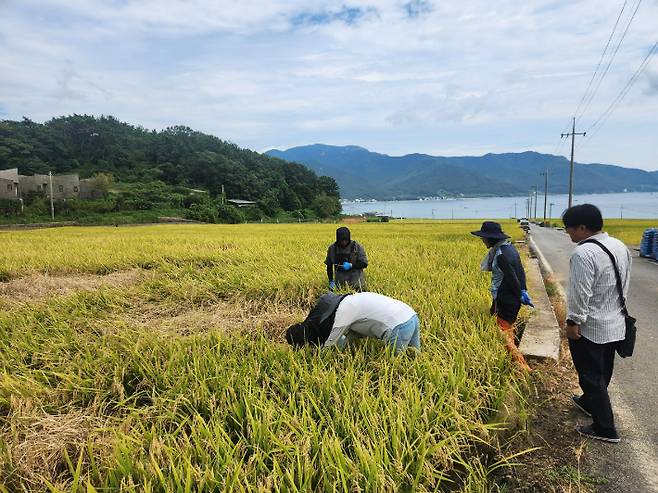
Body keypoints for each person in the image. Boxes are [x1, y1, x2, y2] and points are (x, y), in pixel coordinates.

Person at [563, 204, 631, 443]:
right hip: (616, 323)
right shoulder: (619, 246)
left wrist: (573, 322)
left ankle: (605, 428)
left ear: (582, 227)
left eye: (569, 229)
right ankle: (588, 401)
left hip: (590, 327)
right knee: (603, 370)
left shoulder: (583, 253)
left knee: (590, 375)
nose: (568, 234)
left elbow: (580, 294)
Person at [471, 221, 533, 371]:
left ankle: (523, 367)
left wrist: (520, 293)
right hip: (510, 298)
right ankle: (514, 360)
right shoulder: (509, 248)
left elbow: (512, 277)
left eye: (484, 238)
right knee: (507, 329)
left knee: (502, 334)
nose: (483, 240)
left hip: (506, 299)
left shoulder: (501, 255)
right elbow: (520, 271)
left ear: (491, 238)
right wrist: (523, 290)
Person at [286, 292, 420, 354]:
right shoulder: (349, 300)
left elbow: (331, 341)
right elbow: (352, 335)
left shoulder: (344, 312)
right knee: (416, 355)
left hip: (398, 326)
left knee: (394, 368)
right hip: (411, 314)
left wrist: (317, 356)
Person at [325, 227, 368, 291]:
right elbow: (329, 265)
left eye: (346, 240)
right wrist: (331, 281)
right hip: (340, 286)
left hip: (357, 285)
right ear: (337, 239)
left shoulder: (357, 247)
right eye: (342, 240)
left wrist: (351, 265)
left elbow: (364, 264)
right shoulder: (332, 249)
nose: (344, 242)